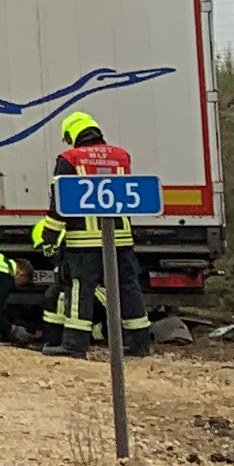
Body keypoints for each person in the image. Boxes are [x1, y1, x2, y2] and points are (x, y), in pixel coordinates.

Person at [46, 110, 155, 360]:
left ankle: (74, 345)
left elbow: (62, 201)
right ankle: (140, 343)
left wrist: (50, 236)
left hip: (83, 241)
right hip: (121, 238)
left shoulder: (69, 157)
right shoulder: (120, 155)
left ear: (72, 133)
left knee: (80, 289)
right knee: (128, 287)